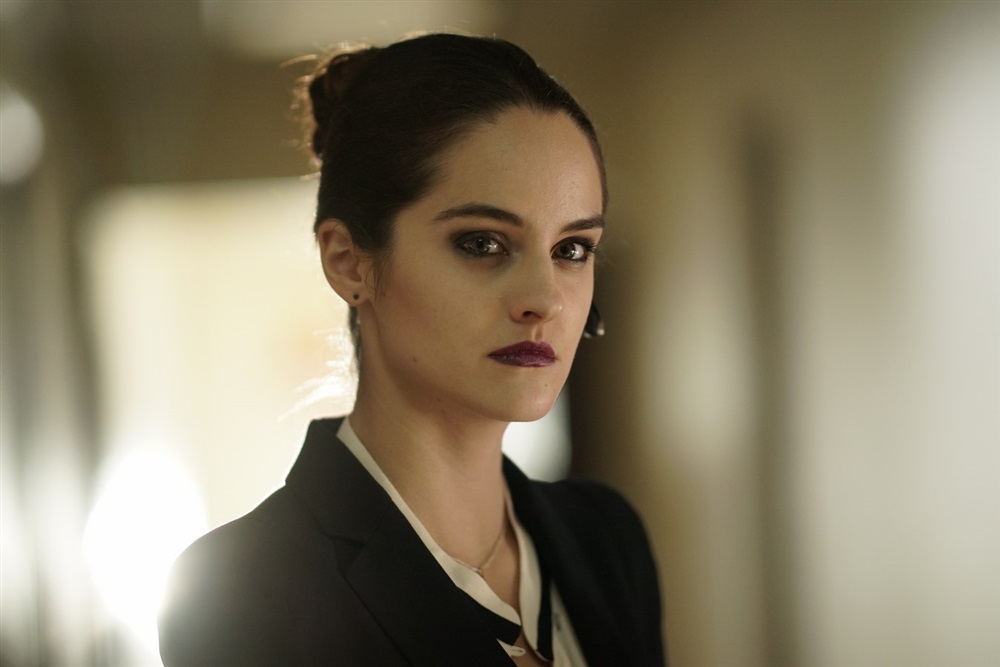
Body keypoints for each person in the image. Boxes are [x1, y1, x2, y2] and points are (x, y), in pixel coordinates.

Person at [158, 33, 665, 667]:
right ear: (349, 261)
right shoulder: (241, 590)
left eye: (572, 249)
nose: (545, 300)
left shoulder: (607, 539)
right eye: (483, 244)